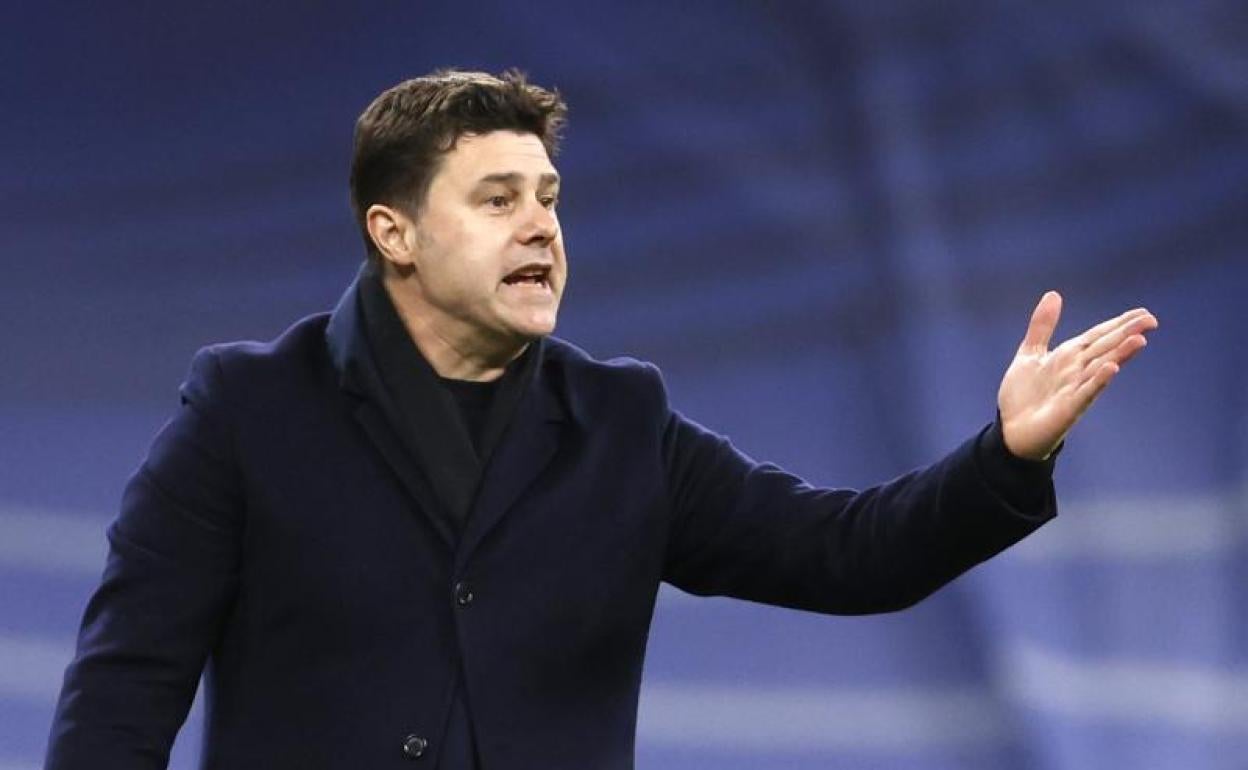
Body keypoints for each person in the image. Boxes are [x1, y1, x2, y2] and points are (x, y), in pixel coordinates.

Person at [44, 69, 1158, 770]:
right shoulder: (247, 407)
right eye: (497, 200)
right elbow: (123, 689)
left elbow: (845, 550)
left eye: (549, 199)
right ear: (395, 233)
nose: (540, 226)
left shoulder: (620, 420)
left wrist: (1006, 452)